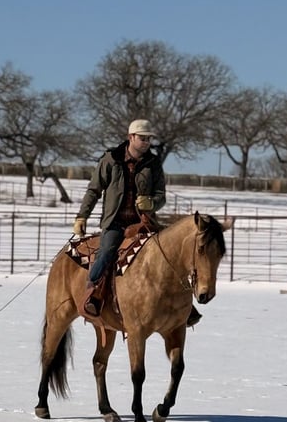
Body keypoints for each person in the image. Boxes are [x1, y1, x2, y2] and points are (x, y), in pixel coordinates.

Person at [73, 119, 202, 327]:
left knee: (170, 254)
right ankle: (93, 293)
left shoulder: (153, 163)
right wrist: (82, 216)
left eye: (149, 139)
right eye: (142, 138)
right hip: (115, 222)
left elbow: (161, 196)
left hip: (143, 222)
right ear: (130, 137)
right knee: (106, 253)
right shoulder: (111, 159)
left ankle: (183, 306)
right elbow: (94, 190)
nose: (146, 142)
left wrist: (152, 203)